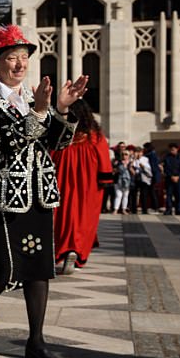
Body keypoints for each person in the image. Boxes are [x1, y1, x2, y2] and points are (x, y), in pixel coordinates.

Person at [0, 25, 87, 358]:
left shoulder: (35, 97)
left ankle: (36, 340)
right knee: (2, 268)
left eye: (24, 58)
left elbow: (55, 144)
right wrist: (39, 113)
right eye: (12, 58)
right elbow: (0, 146)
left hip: (38, 194)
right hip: (1, 198)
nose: (20, 65)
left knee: (38, 269)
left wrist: (60, 109)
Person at [51, 100, 112, 274]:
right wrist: (104, 181)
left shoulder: (62, 134)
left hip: (62, 180)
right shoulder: (95, 137)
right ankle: (76, 250)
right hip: (88, 184)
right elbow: (104, 162)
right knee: (84, 217)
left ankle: (64, 248)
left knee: (62, 215)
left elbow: (50, 156)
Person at [163, 143, 180, 215]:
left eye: (173, 149)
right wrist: (171, 176)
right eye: (171, 149)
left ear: (177, 149)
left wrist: (178, 176)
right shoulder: (167, 157)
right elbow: (166, 168)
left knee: (179, 195)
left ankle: (179, 209)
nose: (172, 151)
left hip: (179, 179)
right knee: (169, 195)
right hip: (170, 179)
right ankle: (168, 209)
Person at [113, 150, 132, 215]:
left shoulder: (131, 163)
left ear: (129, 156)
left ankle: (124, 209)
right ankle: (116, 209)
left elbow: (134, 173)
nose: (124, 156)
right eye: (123, 154)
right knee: (118, 195)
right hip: (118, 181)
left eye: (126, 154)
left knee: (125, 196)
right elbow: (114, 171)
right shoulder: (118, 162)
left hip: (127, 182)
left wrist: (129, 167)